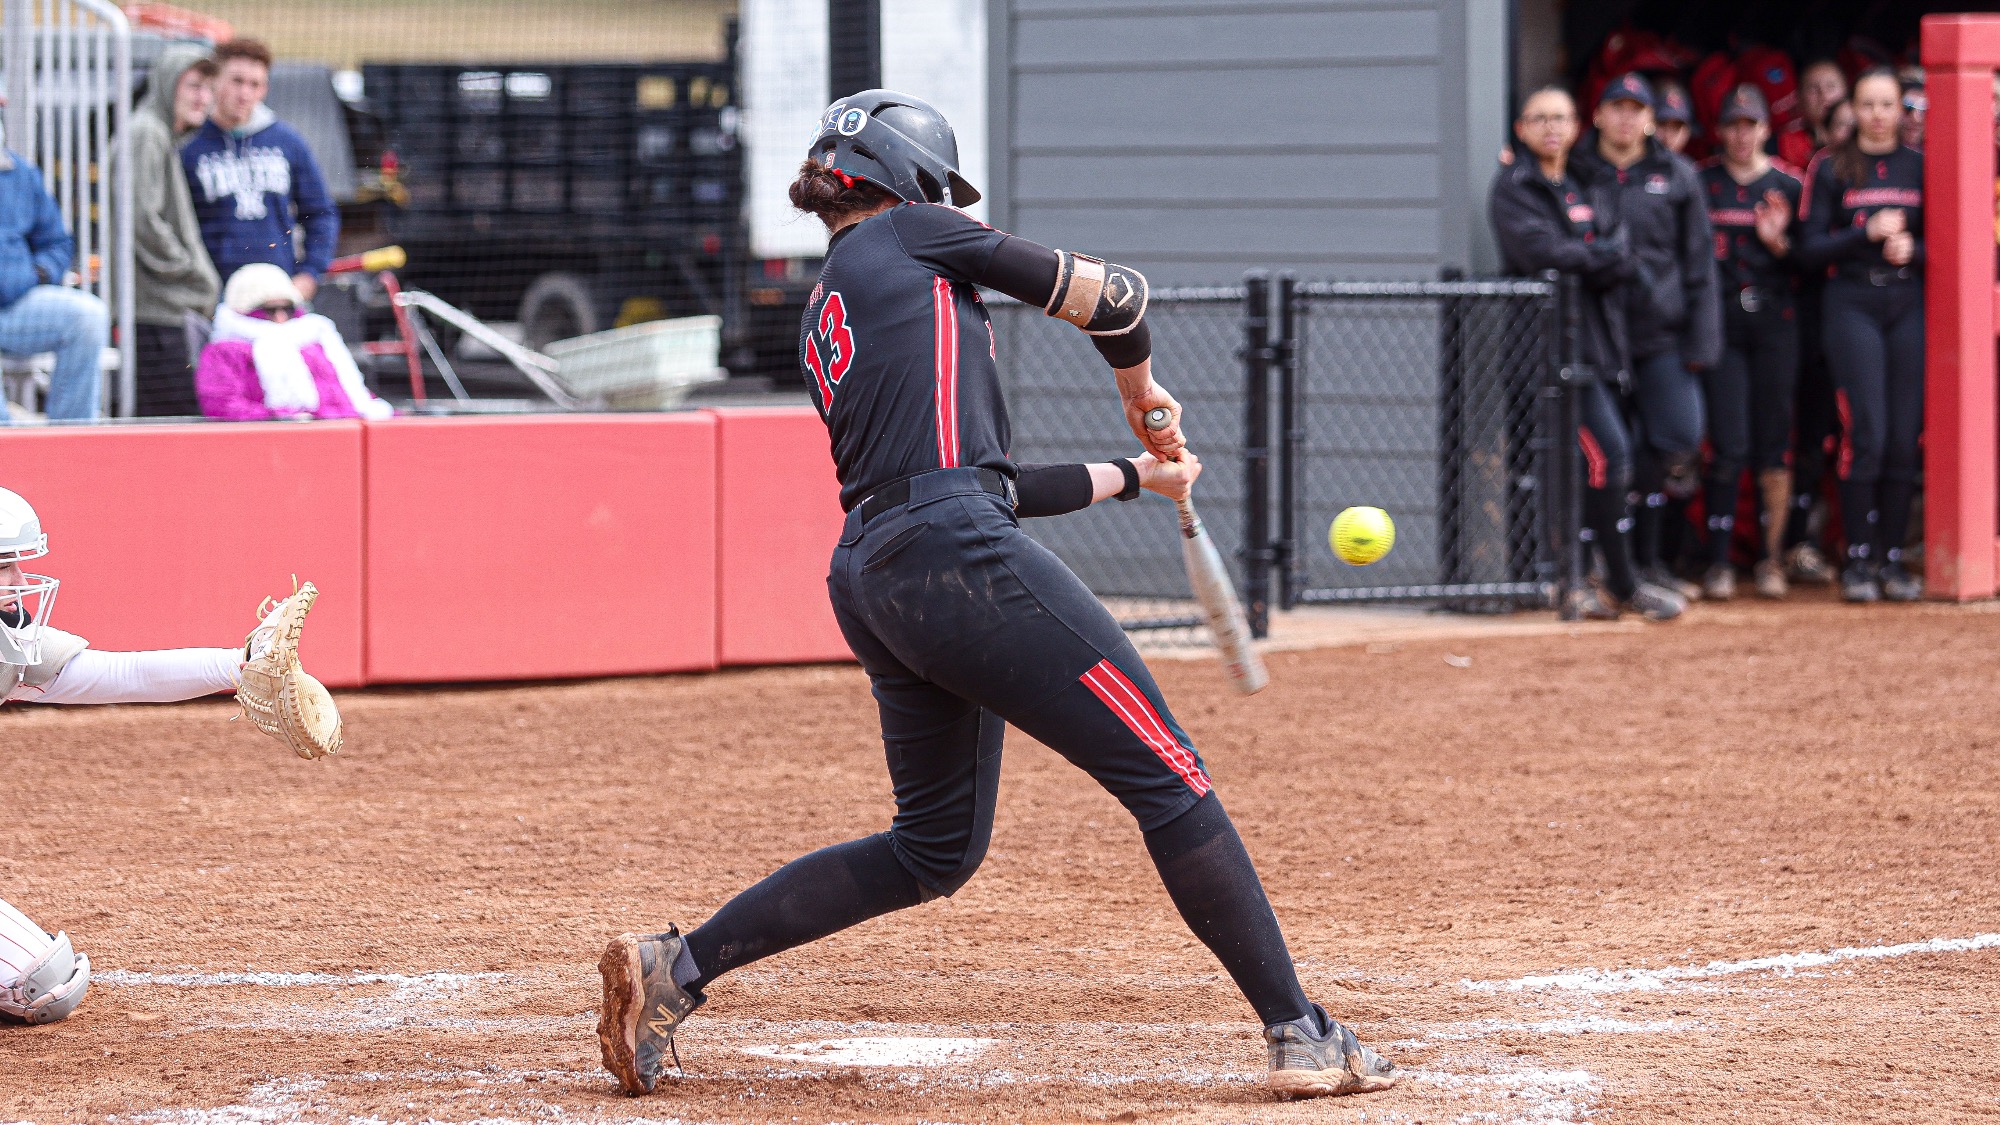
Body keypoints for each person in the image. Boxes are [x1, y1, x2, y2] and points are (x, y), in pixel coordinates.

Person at [593, 91, 1398, 1101]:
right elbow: (1116, 299)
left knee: (930, 849)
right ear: (913, 182)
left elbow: (994, 485)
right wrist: (1137, 394)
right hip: (949, 555)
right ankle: (1301, 1031)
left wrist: (1135, 474)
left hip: (877, 569)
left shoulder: (830, 301)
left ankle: (679, 969)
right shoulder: (917, 233)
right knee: (1167, 775)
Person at [0, 486, 332, 1024]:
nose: (17, 581)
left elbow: (120, 674)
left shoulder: (5, 644)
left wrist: (240, 662)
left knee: (45, 982)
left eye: (15, 564)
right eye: (2, 566)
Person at [1491, 86, 1684, 621]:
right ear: (1522, 129)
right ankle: (1583, 582)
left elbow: (1617, 250)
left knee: (1601, 462)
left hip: (1597, 345)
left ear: (1577, 126)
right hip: (1545, 350)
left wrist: (1592, 257)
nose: (1551, 128)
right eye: (1540, 119)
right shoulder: (1514, 185)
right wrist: (1594, 254)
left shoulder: (1587, 179)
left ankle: (1606, 582)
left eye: (1560, 118)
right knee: (1602, 457)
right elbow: (1540, 254)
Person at [1570, 73, 1721, 601]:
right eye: (1617, 107)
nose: (1626, 118)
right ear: (1598, 116)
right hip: (1601, 337)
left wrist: (1702, 345)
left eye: (1637, 109)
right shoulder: (1577, 169)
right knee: (1614, 453)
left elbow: (1700, 263)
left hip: (1663, 337)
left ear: (1651, 119)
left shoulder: (1677, 175)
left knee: (1677, 435)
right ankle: (1615, 565)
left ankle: (1650, 560)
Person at [1797, 67, 1925, 603]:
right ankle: (1857, 559)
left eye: (1886, 105)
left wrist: (1913, 251)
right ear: (1854, 110)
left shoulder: (1921, 166)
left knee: (1902, 437)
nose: (1876, 115)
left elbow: (1950, 243)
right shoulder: (1830, 167)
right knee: (1865, 433)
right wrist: (1863, 234)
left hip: (1906, 301)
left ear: (1901, 111)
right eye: (1867, 105)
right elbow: (1808, 249)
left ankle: (1892, 559)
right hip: (1851, 303)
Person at [1698, 87, 1804, 601]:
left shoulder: (1788, 184)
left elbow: (1813, 263)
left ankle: (1771, 558)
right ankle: (1718, 562)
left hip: (1776, 321)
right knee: (1729, 442)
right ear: (1720, 130)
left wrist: (1778, 241)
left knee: (1773, 441)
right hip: (1723, 323)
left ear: (1766, 129)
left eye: (1751, 124)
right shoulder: (1702, 182)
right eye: (1733, 124)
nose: (1742, 134)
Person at [182, 39, 337, 302]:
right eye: (236, 81)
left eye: (255, 84)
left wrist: (310, 273)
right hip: (211, 297)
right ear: (215, 81)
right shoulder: (189, 145)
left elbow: (321, 213)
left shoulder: (287, 141)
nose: (245, 94)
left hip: (277, 294)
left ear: (265, 88)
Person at [126, 45, 222, 418]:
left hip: (164, 311)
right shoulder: (146, 133)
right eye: (193, 86)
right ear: (167, 84)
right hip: (157, 314)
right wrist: (190, 271)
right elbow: (142, 221)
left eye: (207, 88)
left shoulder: (159, 134)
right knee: (174, 429)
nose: (203, 98)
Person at [196, 264, 393, 421]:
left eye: (287, 308)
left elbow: (348, 392)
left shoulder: (314, 337)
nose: (281, 317)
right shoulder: (223, 351)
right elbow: (221, 406)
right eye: (270, 310)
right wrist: (280, 417)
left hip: (336, 431)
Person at [0, 145, 109, 423]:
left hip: (16, 302)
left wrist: (38, 272)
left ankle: (70, 444)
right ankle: (7, 444)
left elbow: (57, 244)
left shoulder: (20, 173)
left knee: (87, 317)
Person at [1780, 59, 1849, 169]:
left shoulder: (1862, 134)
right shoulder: (1787, 141)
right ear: (1800, 97)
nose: (1823, 95)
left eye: (1831, 87)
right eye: (1813, 88)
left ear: (1846, 91)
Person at [1653, 76, 1695, 156]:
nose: (1668, 136)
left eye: (1676, 128)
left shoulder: (1691, 168)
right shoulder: (1630, 163)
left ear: (1687, 132)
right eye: (1662, 124)